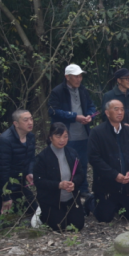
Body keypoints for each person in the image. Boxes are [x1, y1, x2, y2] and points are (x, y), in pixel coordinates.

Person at [48, 63, 97, 214]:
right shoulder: (58, 91)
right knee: (67, 163)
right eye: (76, 76)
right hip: (67, 135)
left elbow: (91, 106)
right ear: (67, 77)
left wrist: (90, 115)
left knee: (82, 162)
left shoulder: (82, 90)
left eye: (80, 76)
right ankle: (69, 189)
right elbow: (53, 111)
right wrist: (74, 117)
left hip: (83, 133)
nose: (79, 79)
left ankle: (83, 188)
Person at [89, 99, 129, 223]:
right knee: (104, 218)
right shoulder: (97, 132)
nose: (120, 112)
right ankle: (91, 201)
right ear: (107, 113)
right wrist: (114, 175)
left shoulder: (128, 131)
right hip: (107, 185)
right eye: (116, 109)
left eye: (122, 109)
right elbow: (94, 158)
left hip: (126, 184)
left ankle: (119, 204)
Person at [31, 123, 86, 232]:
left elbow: (80, 174)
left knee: (78, 225)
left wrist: (74, 183)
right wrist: (58, 185)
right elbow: (38, 181)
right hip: (52, 200)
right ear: (50, 137)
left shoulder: (72, 153)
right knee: (59, 227)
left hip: (70, 198)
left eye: (65, 136)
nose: (62, 140)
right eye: (58, 136)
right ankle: (41, 212)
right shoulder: (42, 158)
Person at [0, 109, 37, 215]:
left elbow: (31, 158)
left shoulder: (30, 137)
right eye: (26, 120)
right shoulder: (5, 140)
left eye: (31, 119)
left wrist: (29, 172)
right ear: (16, 123)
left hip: (18, 182)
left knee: (33, 209)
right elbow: (2, 171)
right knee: (6, 211)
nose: (30, 122)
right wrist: (6, 196)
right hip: (0, 185)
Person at [102, 68, 129, 145]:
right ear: (119, 80)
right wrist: (121, 125)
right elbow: (105, 116)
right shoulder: (109, 96)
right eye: (127, 79)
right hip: (114, 135)